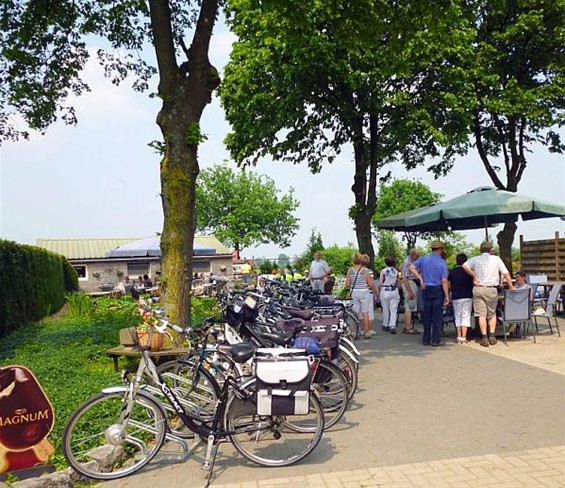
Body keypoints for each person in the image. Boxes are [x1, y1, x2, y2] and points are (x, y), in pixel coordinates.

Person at [462, 241, 514, 347]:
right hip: (492, 289)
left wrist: (474, 275)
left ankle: (484, 337)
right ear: (491, 250)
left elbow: (464, 265)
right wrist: (511, 287)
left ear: (480, 250)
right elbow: (506, 273)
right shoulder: (496, 259)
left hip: (479, 288)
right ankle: (492, 336)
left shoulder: (476, 259)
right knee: (492, 314)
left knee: (481, 315)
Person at [409, 241, 450, 346]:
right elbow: (444, 280)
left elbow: (411, 267)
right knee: (436, 315)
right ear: (440, 249)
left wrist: (420, 278)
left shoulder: (423, 259)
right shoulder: (442, 263)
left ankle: (425, 339)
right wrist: (446, 295)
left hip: (426, 288)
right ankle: (436, 340)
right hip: (437, 289)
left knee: (427, 314)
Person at [346, 252, 379, 339]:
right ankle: (367, 332)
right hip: (364, 291)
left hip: (354, 292)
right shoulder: (365, 270)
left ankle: (355, 331)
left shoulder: (350, 270)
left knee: (355, 313)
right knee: (365, 312)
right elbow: (370, 283)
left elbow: (348, 284)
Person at [448, 253, 474, 344]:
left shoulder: (452, 272)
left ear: (456, 261)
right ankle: (464, 337)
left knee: (458, 316)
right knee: (466, 316)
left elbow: (449, 285)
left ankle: (458, 336)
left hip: (456, 296)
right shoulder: (470, 271)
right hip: (468, 295)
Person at [401, 248, 421, 334]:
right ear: (412, 254)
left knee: (409, 306)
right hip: (410, 283)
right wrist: (410, 291)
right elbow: (405, 278)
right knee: (409, 306)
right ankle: (408, 327)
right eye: (417, 256)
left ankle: (407, 326)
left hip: (411, 283)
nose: (417, 258)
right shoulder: (407, 263)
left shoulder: (409, 262)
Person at [379, 256, 401, 334]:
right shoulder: (397, 272)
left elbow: (381, 282)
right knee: (393, 309)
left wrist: (379, 291)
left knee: (385, 308)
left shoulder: (383, 271)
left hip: (385, 290)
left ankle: (385, 324)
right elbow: (399, 283)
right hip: (394, 290)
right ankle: (392, 325)